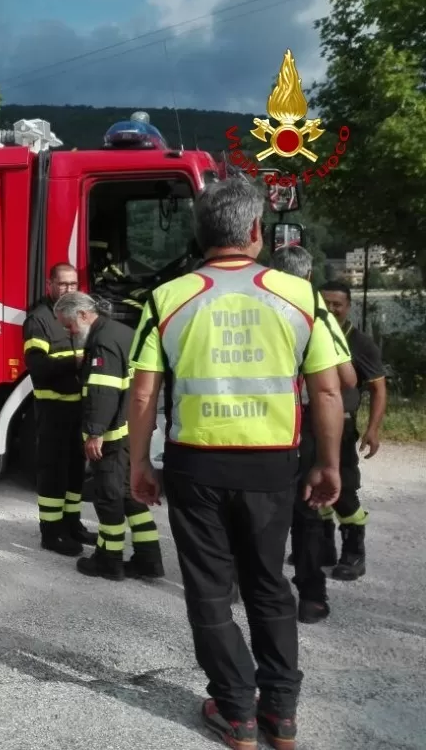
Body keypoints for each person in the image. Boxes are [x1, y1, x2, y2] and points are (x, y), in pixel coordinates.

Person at [128, 176, 347, 750]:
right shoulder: (301, 296)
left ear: (202, 234)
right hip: (273, 466)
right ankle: (281, 714)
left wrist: (137, 465)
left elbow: (144, 394)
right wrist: (328, 463)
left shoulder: (167, 298)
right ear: (255, 231)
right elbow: (327, 393)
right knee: (269, 584)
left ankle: (236, 712)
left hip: (195, 467)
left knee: (209, 590)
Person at [270, 247, 356, 624]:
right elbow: (348, 378)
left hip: (258, 426)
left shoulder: (250, 304)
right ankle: (311, 596)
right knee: (306, 514)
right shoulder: (314, 309)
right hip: (302, 424)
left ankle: (252, 585)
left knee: (258, 513)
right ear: (307, 279)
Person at [53, 291, 164, 582]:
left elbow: (102, 392)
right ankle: (148, 558)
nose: (69, 332)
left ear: (83, 315)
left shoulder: (102, 342)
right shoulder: (120, 333)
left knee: (109, 498)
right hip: (130, 428)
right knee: (130, 496)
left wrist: (94, 433)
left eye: (69, 326)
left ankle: (109, 561)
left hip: (112, 436)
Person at [22, 263, 97, 556]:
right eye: (63, 284)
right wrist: (75, 362)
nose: (68, 289)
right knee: (53, 472)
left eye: (73, 284)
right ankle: (51, 533)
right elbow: (37, 367)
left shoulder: (78, 315)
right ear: (49, 285)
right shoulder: (38, 320)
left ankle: (72, 523)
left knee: (75, 471)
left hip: (78, 409)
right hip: (52, 410)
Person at [318, 279, 387, 582]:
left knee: (343, 490)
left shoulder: (359, 343)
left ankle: (354, 552)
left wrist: (373, 429)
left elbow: (378, 388)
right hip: (308, 425)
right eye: (326, 303)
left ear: (348, 307)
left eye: (338, 304)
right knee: (310, 488)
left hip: (342, 427)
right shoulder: (310, 332)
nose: (332, 309)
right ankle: (320, 547)